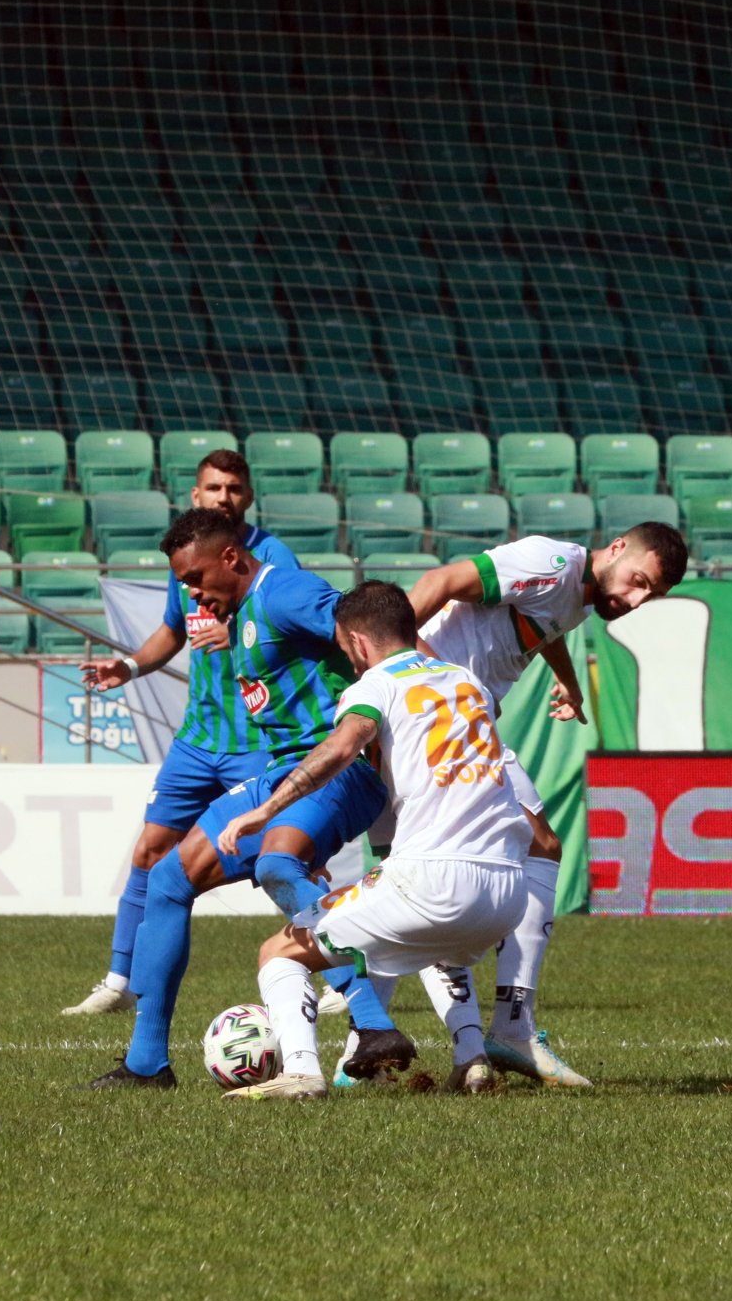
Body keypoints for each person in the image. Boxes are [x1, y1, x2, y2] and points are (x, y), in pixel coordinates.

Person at [86, 511, 414, 1090]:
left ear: (231, 558)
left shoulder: (284, 592)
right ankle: (146, 1063)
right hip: (283, 774)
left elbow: (371, 633)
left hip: (338, 770)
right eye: (182, 583)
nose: (191, 593)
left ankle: (372, 1023)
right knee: (168, 880)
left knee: (277, 863)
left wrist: (427, 692)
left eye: (195, 578)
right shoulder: (239, 615)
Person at [382, 519, 688, 1088]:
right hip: (442, 724)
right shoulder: (551, 563)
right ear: (617, 548)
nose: (635, 600)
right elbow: (441, 581)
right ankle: (509, 1028)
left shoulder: (579, 591)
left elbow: (545, 624)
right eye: (639, 581)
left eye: (650, 596)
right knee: (536, 846)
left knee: (422, 873)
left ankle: (397, 1040)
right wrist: (426, 677)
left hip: (443, 723)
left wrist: (567, 680)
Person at [215, 580, 532, 1100]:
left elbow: (341, 748)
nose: (350, 660)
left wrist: (266, 811)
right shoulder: (466, 681)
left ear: (358, 643)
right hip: (507, 892)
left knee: (279, 951)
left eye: (346, 649)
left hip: (434, 880)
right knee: (434, 941)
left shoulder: (373, 685)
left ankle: (302, 1073)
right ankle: (471, 1058)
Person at [61, 448, 298, 1016]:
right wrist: (129, 667)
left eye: (234, 488)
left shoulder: (273, 557)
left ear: (249, 495)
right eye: (214, 488)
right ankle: (119, 982)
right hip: (197, 741)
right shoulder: (190, 557)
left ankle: (340, 973)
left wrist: (238, 628)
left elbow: (294, 626)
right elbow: (172, 630)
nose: (224, 497)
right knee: (149, 849)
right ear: (196, 495)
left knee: (283, 857)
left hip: (257, 739)